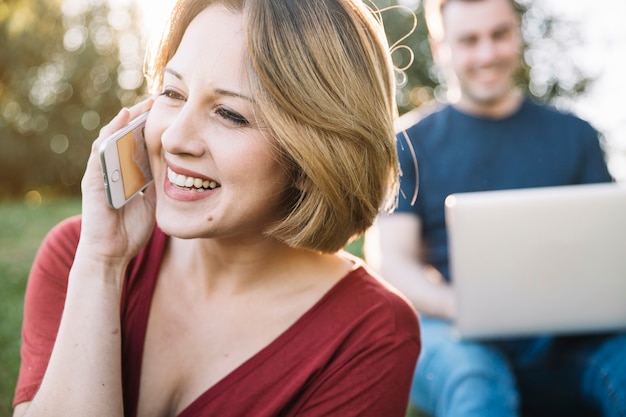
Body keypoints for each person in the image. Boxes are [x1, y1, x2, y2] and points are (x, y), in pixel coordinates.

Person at [12, 1, 421, 416]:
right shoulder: (77, 256)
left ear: (312, 158)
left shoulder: (371, 334)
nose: (174, 137)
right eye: (172, 93)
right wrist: (100, 266)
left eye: (229, 114)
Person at [369, 0, 626, 416]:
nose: (487, 54)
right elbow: (394, 261)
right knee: (475, 383)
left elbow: (611, 249)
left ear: (517, 33)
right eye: (469, 40)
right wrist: (465, 308)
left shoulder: (576, 135)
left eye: (499, 34)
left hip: (569, 338)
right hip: (456, 335)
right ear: (441, 48)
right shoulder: (408, 144)